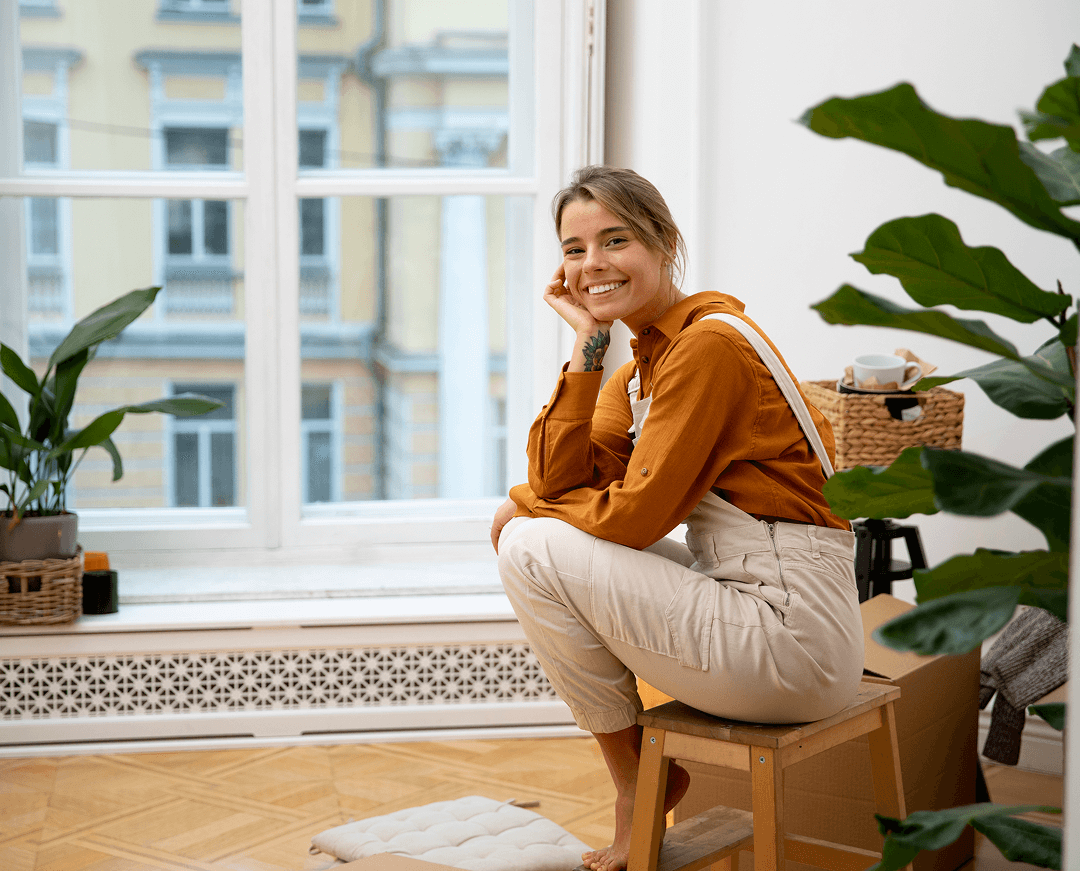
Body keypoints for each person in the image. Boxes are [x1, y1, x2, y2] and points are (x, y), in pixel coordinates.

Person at [491, 166, 862, 871]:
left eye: (615, 239)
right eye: (574, 248)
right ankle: (639, 777)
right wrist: (586, 345)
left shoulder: (708, 347)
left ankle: (635, 783)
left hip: (791, 635)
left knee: (528, 542)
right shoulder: (638, 367)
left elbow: (631, 519)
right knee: (533, 530)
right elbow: (561, 477)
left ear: (664, 243)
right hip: (754, 601)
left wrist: (525, 504)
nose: (592, 263)